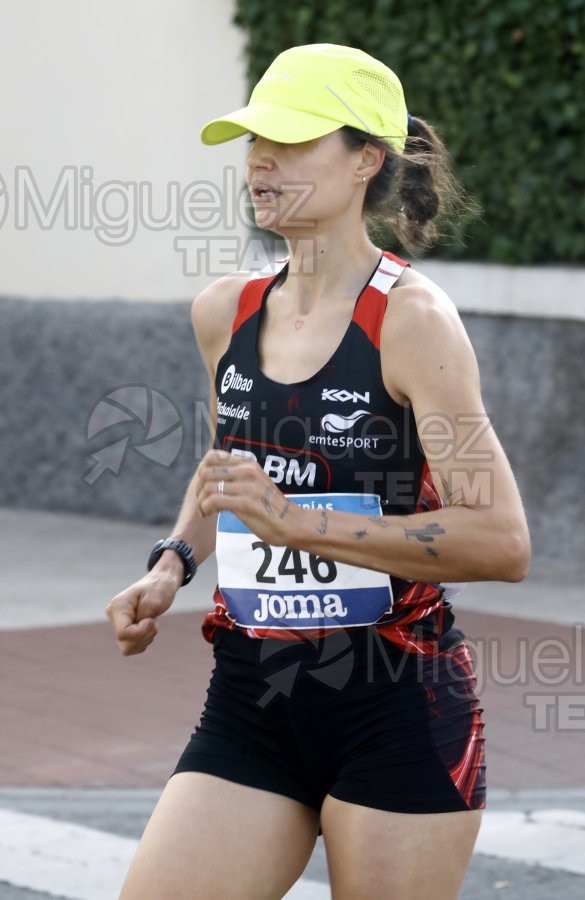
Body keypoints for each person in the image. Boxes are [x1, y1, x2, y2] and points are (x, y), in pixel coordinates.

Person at [106, 43, 530, 900]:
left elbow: (502, 539)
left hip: (396, 709)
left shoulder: (412, 321)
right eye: (254, 139)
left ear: (366, 157)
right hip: (252, 701)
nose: (261, 160)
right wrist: (173, 561)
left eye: (292, 142)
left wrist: (299, 525)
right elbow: (230, 464)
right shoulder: (225, 310)